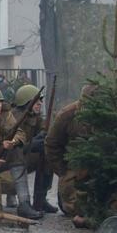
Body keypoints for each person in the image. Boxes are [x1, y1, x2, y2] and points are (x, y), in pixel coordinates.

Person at [45, 85, 95, 225]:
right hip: (74, 165)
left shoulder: (108, 114)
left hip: (99, 165)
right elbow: (51, 143)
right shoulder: (67, 115)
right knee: (73, 208)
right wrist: (62, 171)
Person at [5, 85, 45, 219]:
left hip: (24, 158)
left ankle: (40, 200)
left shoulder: (36, 116)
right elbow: (12, 145)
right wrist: (31, 144)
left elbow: (45, 131)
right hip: (8, 161)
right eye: (36, 100)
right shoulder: (14, 117)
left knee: (47, 156)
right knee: (17, 154)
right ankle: (24, 202)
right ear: (26, 103)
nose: (40, 103)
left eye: (40, 100)